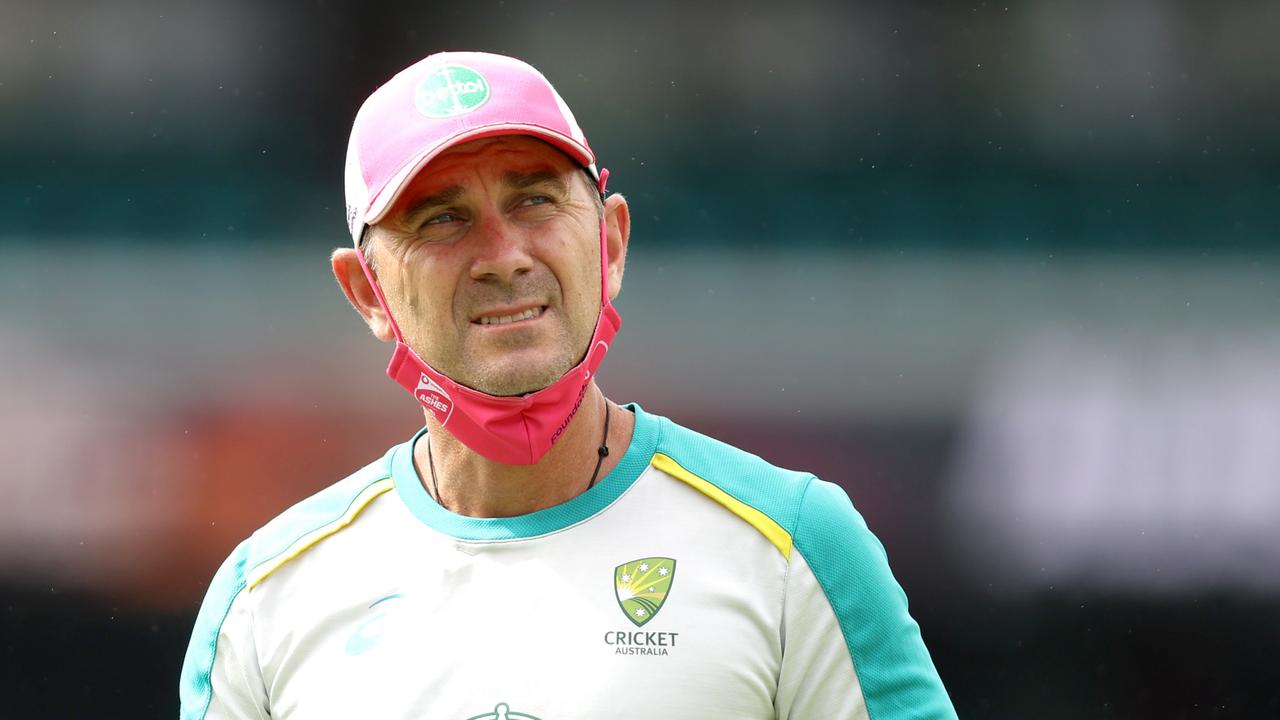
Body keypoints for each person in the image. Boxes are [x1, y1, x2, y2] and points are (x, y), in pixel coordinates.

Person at [179, 50, 957, 720]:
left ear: (610, 241)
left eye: (534, 199)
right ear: (367, 294)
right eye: (441, 220)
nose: (503, 254)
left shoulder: (793, 547)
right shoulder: (266, 597)